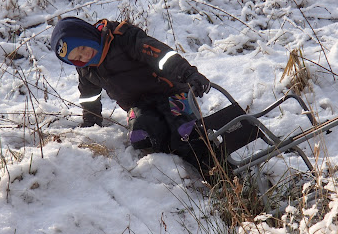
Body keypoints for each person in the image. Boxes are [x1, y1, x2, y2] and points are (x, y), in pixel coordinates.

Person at [50, 16, 215, 179]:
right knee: (143, 134)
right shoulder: (86, 69)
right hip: (138, 104)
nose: (84, 57)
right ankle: (168, 166)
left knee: (183, 131)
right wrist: (90, 122)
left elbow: (161, 56)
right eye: (77, 59)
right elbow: (89, 97)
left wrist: (188, 73)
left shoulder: (123, 38)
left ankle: (217, 171)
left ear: (88, 36)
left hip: (170, 91)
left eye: (83, 49)